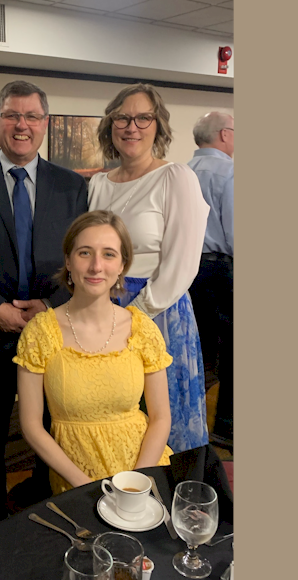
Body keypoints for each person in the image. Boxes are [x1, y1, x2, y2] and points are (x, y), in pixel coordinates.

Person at [0, 80, 88, 518]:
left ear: (45, 123)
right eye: (12, 115)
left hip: (54, 330)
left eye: (31, 116)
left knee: (54, 425)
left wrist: (50, 305)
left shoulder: (72, 186)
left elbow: (81, 255)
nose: (21, 125)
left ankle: (49, 504)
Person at [14, 210, 174, 494]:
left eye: (109, 254)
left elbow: (161, 417)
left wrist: (136, 483)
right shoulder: (40, 333)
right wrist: (85, 487)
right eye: (85, 253)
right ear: (68, 261)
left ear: (122, 265)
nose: (96, 266)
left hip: (143, 472)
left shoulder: (142, 329)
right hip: (75, 482)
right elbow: (31, 425)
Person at [88, 84, 210, 453]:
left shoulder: (176, 178)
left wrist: (135, 316)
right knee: (110, 416)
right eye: (122, 118)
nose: (132, 127)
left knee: (161, 420)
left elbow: (182, 263)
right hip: (101, 310)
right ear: (110, 124)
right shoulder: (98, 184)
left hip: (158, 313)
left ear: (158, 126)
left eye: (144, 118)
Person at [186, 111, 234, 449]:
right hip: (222, 270)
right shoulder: (230, 173)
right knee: (232, 351)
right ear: (224, 134)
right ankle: (226, 426)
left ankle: (190, 427)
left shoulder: (180, 172)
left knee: (195, 351)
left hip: (187, 270)